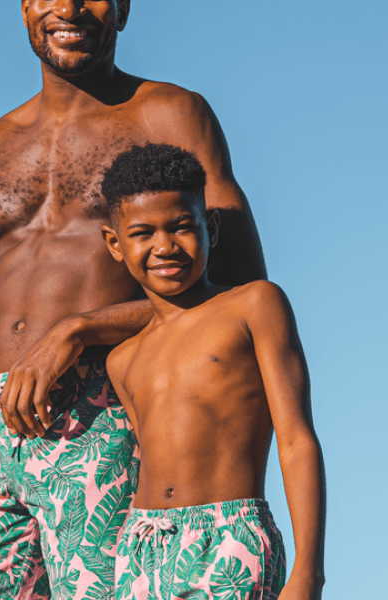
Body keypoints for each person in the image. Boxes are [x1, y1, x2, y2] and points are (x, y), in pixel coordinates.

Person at [0, 1, 267, 598]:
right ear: (23, 9)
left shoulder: (171, 113)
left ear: (122, 9)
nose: (68, 7)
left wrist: (79, 329)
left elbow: (240, 295)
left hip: (106, 412)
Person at [100, 144, 326, 599]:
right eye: (143, 233)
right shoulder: (121, 359)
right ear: (115, 244)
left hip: (228, 539)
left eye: (182, 227)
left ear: (212, 227)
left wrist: (308, 571)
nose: (165, 246)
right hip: (138, 549)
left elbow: (297, 440)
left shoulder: (255, 305)